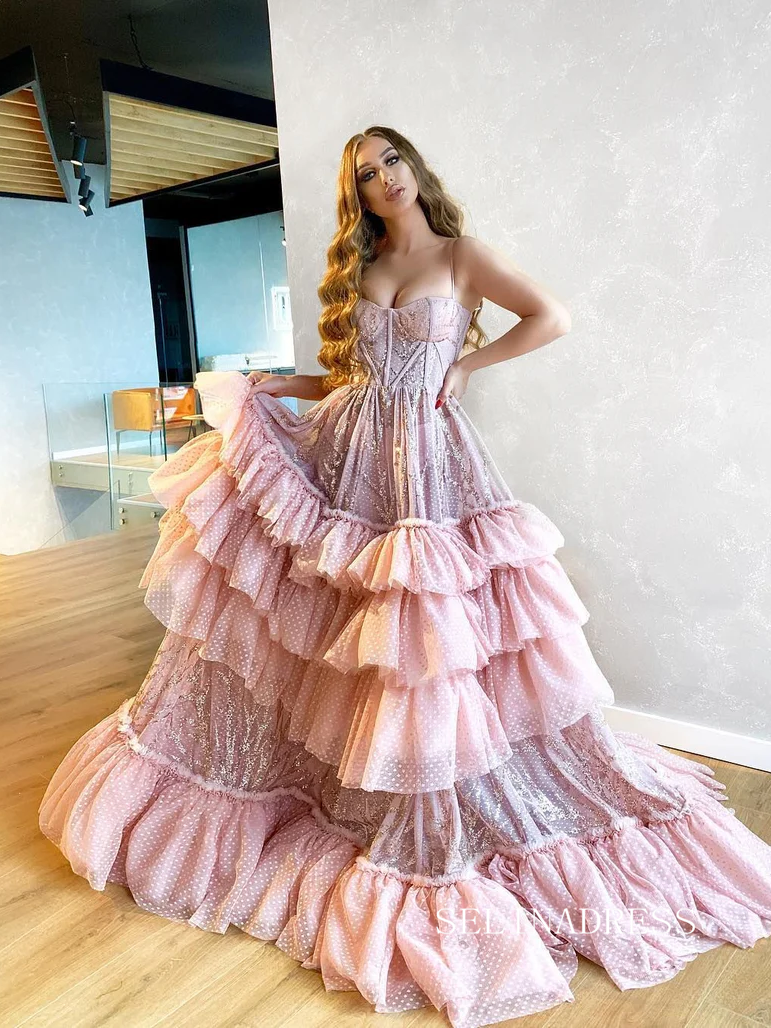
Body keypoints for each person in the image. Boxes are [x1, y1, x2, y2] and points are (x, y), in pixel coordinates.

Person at [39, 126, 771, 1028]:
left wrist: (465, 364)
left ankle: (437, 781)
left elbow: (550, 317)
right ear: (356, 192)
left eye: (391, 161)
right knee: (336, 625)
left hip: (429, 465)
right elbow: (347, 378)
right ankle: (347, 781)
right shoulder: (363, 266)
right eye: (365, 173)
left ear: (415, 168)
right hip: (350, 457)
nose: (382, 179)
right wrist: (277, 390)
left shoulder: (461, 257)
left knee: (424, 629)